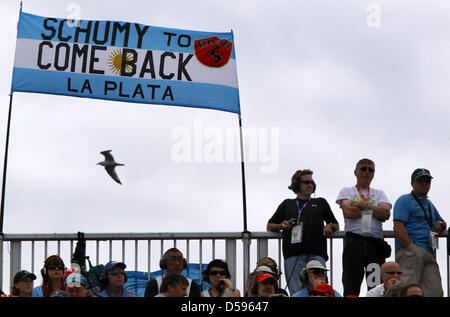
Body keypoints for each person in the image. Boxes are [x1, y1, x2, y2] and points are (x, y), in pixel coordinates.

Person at [267, 169, 339, 295]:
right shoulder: (287, 204)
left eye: (312, 182)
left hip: (317, 254)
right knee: (297, 293)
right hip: (293, 255)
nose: (310, 185)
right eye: (306, 182)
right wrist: (281, 226)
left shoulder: (321, 202)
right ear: (296, 185)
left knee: (320, 291)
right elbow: (270, 225)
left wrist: (330, 226)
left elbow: (336, 224)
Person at [336, 158, 392, 297]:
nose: (367, 172)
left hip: (375, 244)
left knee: (375, 285)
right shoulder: (347, 191)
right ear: (356, 172)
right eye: (363, 169)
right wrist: (375, 210)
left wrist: (365, 205)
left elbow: (385, 214)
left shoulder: (379, 193)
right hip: (354, 242)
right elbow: (349, 212)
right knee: (351, 284)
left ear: (374, 173)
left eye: (370, 169)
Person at [393, 168, 446, 297]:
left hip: (429, 252)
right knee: (406, 290)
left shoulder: (429, 204)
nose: (424, 183)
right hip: (411, 251)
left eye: (427, 181)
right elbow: (398, 226)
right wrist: (411, 247)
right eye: (420, 180)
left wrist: (439, 225)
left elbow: (442, 221)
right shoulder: (404, 200)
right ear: (412, 183)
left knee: (435, 292)